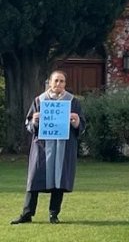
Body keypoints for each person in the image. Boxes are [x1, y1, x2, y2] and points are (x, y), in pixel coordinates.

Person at [11, 70, 83, 225]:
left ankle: (53, 214)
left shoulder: (73, 102)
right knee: (34, 178)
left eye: (62, 81)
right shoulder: (39, 101)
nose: (58, 84)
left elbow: (81, 126)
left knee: (59, 180)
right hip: (42, 147)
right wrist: (34, 121)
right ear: (49, 82)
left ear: (65, 84)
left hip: (63, 147)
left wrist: (76, 121)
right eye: (56, 80)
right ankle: (27, 213)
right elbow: (29, 124)